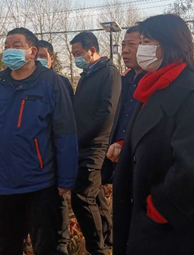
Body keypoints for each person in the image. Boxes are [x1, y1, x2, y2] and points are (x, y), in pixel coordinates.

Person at [112, 14, 194, 255]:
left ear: (169, 45)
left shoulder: (191, 97)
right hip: (150, 227)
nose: (141, 49)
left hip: (177, 231)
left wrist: (158, 208)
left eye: (147, 42)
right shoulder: (153, 89)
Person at [0, 28, 78, 255]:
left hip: (40, 182)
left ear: (32, 51)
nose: (9, 50)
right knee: (8, 245)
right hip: (3, 182)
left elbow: (65, 132)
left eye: (16, 46)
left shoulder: (50, 83)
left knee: (45, 246)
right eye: (6, 46)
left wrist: (66, 178)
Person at [70, 31, 121, 255]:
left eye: (78, 53)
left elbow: (107, 111)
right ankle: (109, 240)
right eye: (73, 54)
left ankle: (96, 248)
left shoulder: (109, 73)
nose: (76, 58)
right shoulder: (86, 76)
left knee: (82, 197)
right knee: (96, 196)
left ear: (92, 50)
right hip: (81, 144)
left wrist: (84, 136)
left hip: (97, 144)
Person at [38, 39, 73, 254]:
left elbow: (67, 123)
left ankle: (61, 241)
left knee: (58, 199)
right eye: (36, 56)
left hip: (55, 151)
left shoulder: (61, 83)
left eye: (43, 56)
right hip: (35, 155)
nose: (39, 60)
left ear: (51, 58)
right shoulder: (27, 81)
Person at [101, 26, 145, 184]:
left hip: (141, 161)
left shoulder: (155, 84)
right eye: (123, 45)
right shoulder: (125, 81)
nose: (125, 51)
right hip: (119, 158)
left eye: (132, 45)